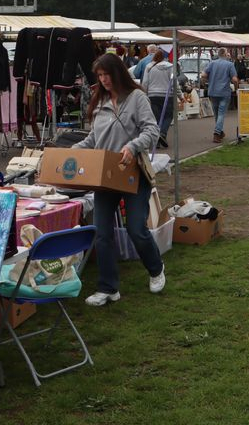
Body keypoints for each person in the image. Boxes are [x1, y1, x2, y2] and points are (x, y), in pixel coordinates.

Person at [73, 53, 165, 306]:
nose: (103, 80)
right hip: (105, 177)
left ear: (118, 73)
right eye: (100, 76)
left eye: (107, 75)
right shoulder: (99, 101)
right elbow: (93, 139)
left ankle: (156, 268)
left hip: (133, 174)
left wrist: (133, 146)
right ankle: (108, 287)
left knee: (136, 229)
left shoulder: (137, 98)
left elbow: (152, 129)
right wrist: (70, 153)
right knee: (102, 234)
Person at [141, 46, 176, 149]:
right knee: (168, 116)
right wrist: (179, 94)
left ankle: (156, 139)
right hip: (167, 95)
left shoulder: (149, 67)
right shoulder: (170, 66)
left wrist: (144, 94)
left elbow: (145, 83)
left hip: (153, 95)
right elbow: (174, 82)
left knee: (155, 118)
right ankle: (163, 132)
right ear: (164, 57)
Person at [202, 48, 239, 143]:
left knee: (217, 114)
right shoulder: (230, 65)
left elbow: (203, 75)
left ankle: (220, 132)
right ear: (225, 54)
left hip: (213, 91)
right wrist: (236, 87)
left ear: (218, 54)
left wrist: (205, 83)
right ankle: (217, 133)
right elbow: (234, 80)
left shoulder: (212, 63)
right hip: (224, 92)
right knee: (221, 114)